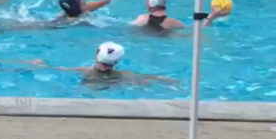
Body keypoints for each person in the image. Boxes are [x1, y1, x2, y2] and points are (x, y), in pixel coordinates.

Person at [33, 42, 175, 85]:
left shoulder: (83, 71)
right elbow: (146, 78)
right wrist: (166, 80)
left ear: (97, 54)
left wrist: (40, 65)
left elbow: (60, 70)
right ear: (117, 61)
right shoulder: (122, 76)